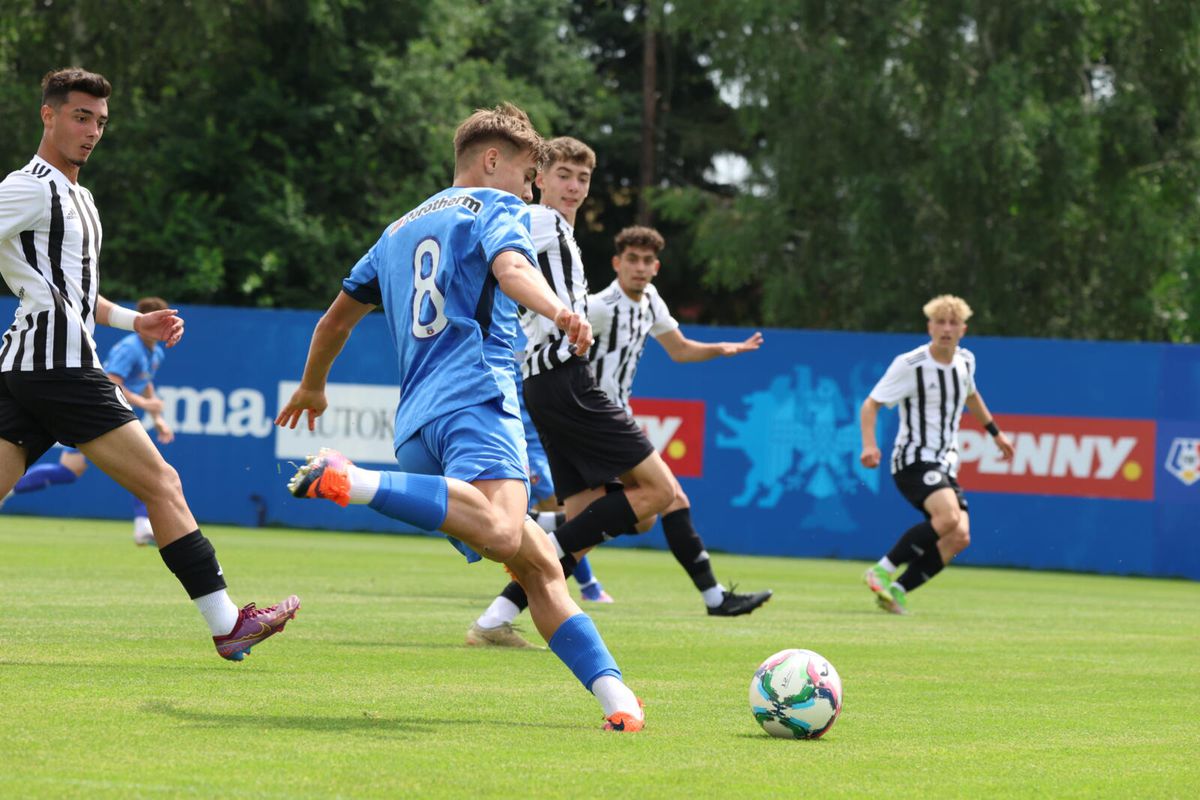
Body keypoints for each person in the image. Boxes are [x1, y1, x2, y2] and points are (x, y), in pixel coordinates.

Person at [275, 103, 645, 732]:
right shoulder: (497, 209)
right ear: (492, 161)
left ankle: (618, 702)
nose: (533, 191)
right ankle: (353, 479)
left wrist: (313, 386)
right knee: (506, 533)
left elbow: (334, 319)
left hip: (418, 429)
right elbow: (512, 267)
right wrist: (558, 313)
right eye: (530, 175)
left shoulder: (395, 231)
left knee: (540, 565)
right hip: (476, 397)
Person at [0, 67, 298, 660]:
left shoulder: (80, 198)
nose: (92, 131)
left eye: (101, 122)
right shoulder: (28, 187)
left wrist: (133, 321)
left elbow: (79, 296)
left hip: (25, 369)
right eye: (81, 117)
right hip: (59, 368)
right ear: (48, 115)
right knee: (163, 484)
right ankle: (226, 623)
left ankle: (226, 624)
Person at [467, 141, 767, 650]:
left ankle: (495, 617)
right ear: (540, 178)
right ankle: (519, 534)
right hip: (568, 382)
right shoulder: (539, 223)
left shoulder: (565, 237)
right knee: (660, 493)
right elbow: (497, 265)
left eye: (582, 179)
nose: (574, 187)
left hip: (547, 385)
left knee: (590, 524)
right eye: (563, 175)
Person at [586, 225, 771, 613]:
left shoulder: (651, 300)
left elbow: (680, 350)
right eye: (631, 259)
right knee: (669, 496)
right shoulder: (599, 308)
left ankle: (527, 527)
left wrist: (723, 348)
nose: (639, 267)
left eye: (646, 261)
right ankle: (715, 597)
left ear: (656, 266)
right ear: (617, 263)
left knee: (640, 520)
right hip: (595, 418)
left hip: (619, 417)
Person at [859, 294, 1015, 614]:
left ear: (963, 329)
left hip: (945, 463)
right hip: (913, 458)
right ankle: (882, 570)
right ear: (929, 327)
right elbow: (871, 403)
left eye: (953, 323)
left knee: (959, 536)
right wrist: (869, 444)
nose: (946, 329)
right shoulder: (910, 364)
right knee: (948, 517)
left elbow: (971, 396)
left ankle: (897, 590)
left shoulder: (966, 361)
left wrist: (996, 434)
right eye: (940, 322)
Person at [3, 296, 176, 545]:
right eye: (164, 319)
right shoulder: (132, 348)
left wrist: (157, 418)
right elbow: (114, 382)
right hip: (94, 414)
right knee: (147, 470)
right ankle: (142, 526)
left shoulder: (155, 351)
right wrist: (147, 405)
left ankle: (10, 489)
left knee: (69, 472)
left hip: (102, 414)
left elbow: (145, 380)